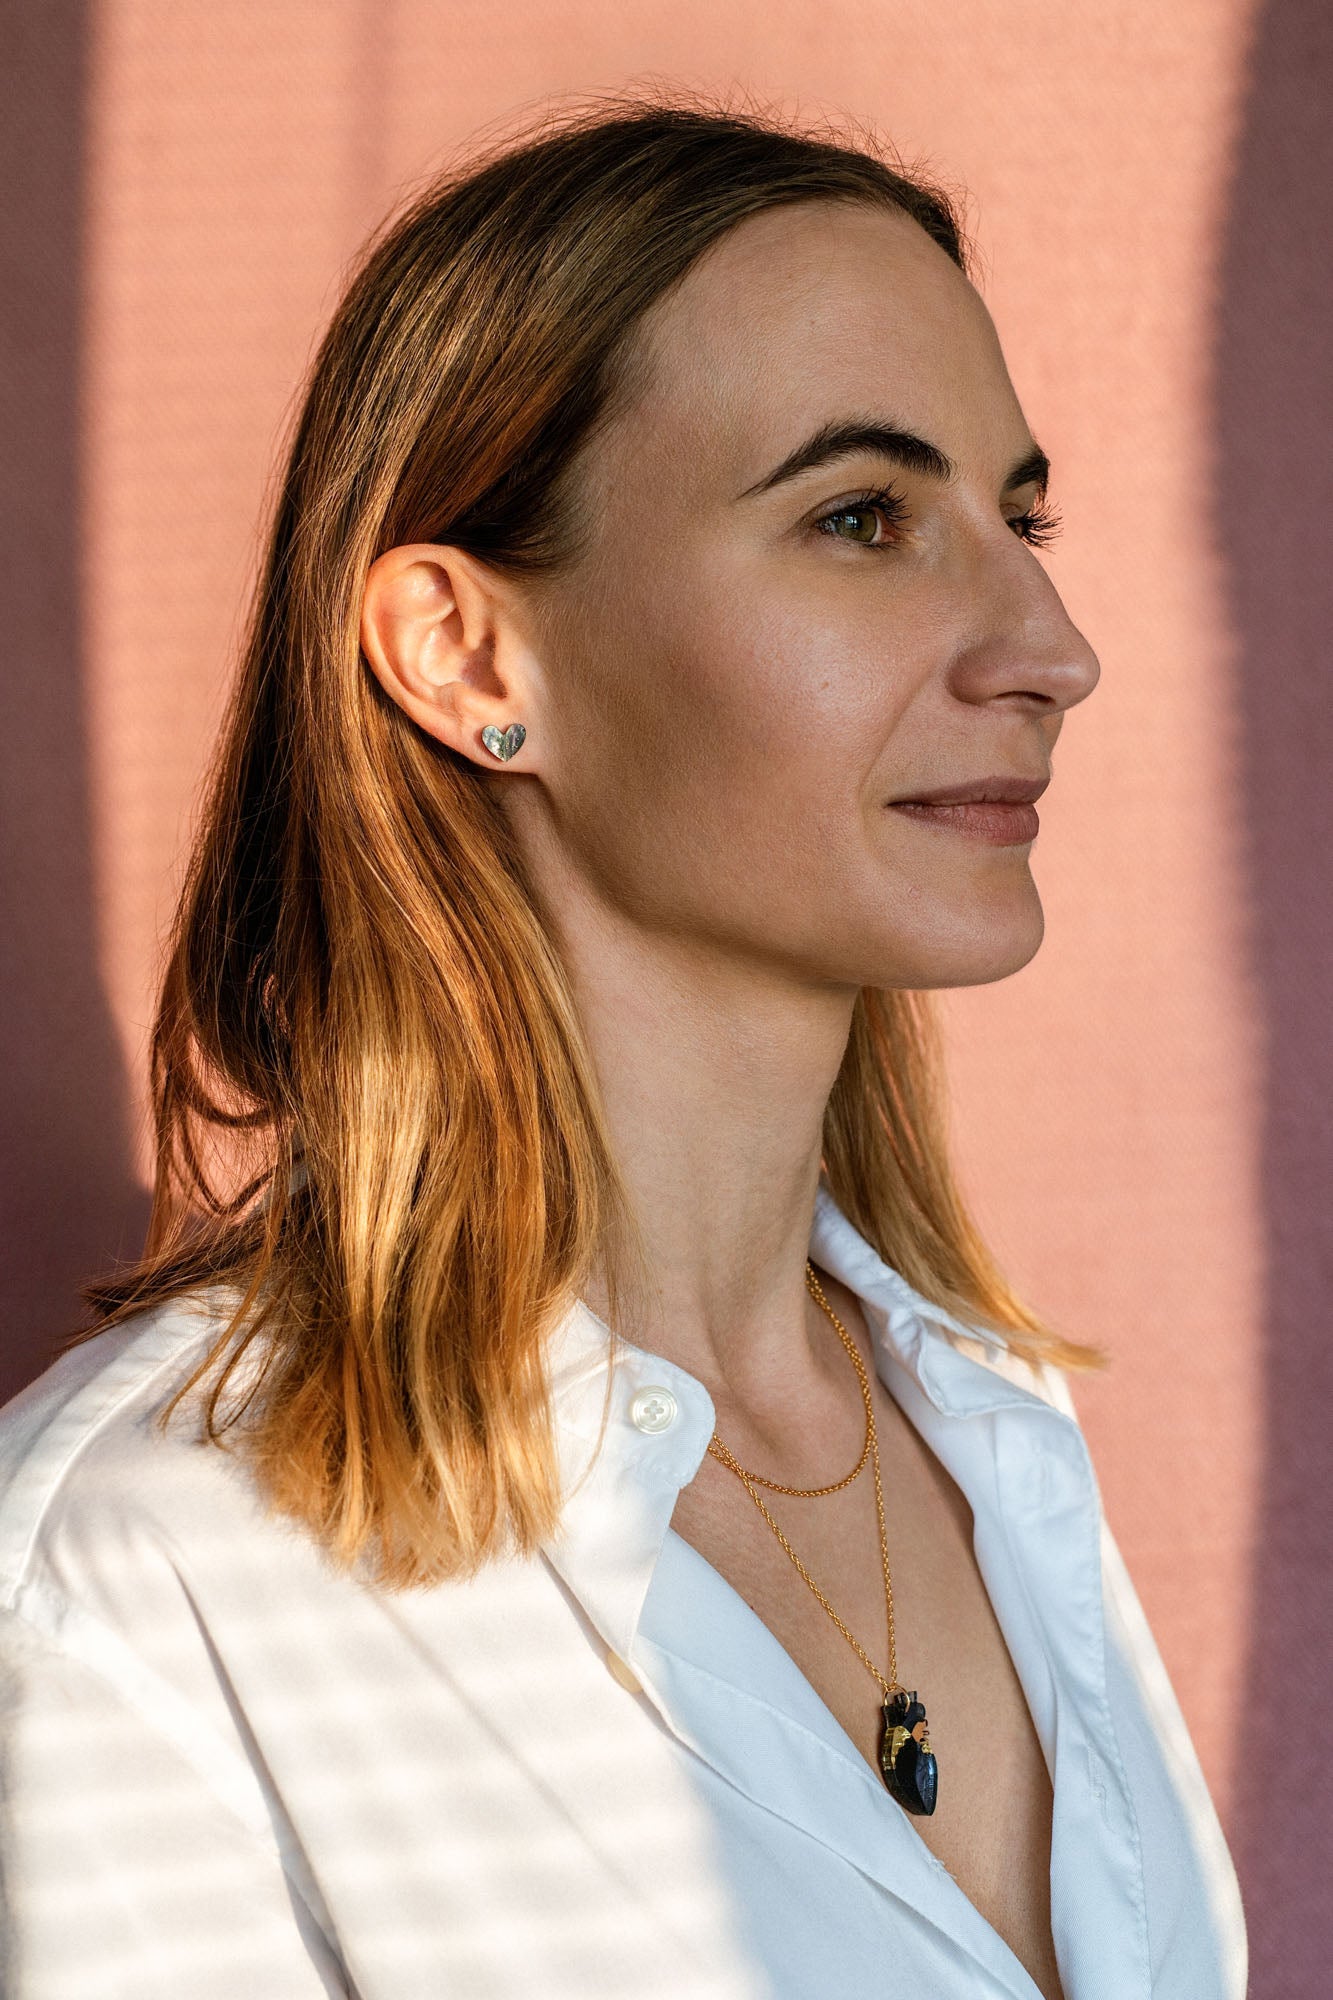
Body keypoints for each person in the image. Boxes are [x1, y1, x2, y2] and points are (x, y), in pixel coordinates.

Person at [0, 94, 1248, 1999]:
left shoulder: (992, 1428)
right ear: (468, 656)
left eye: (1018, 513)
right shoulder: (140, 1576)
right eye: (859, 516)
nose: (1048, 642)